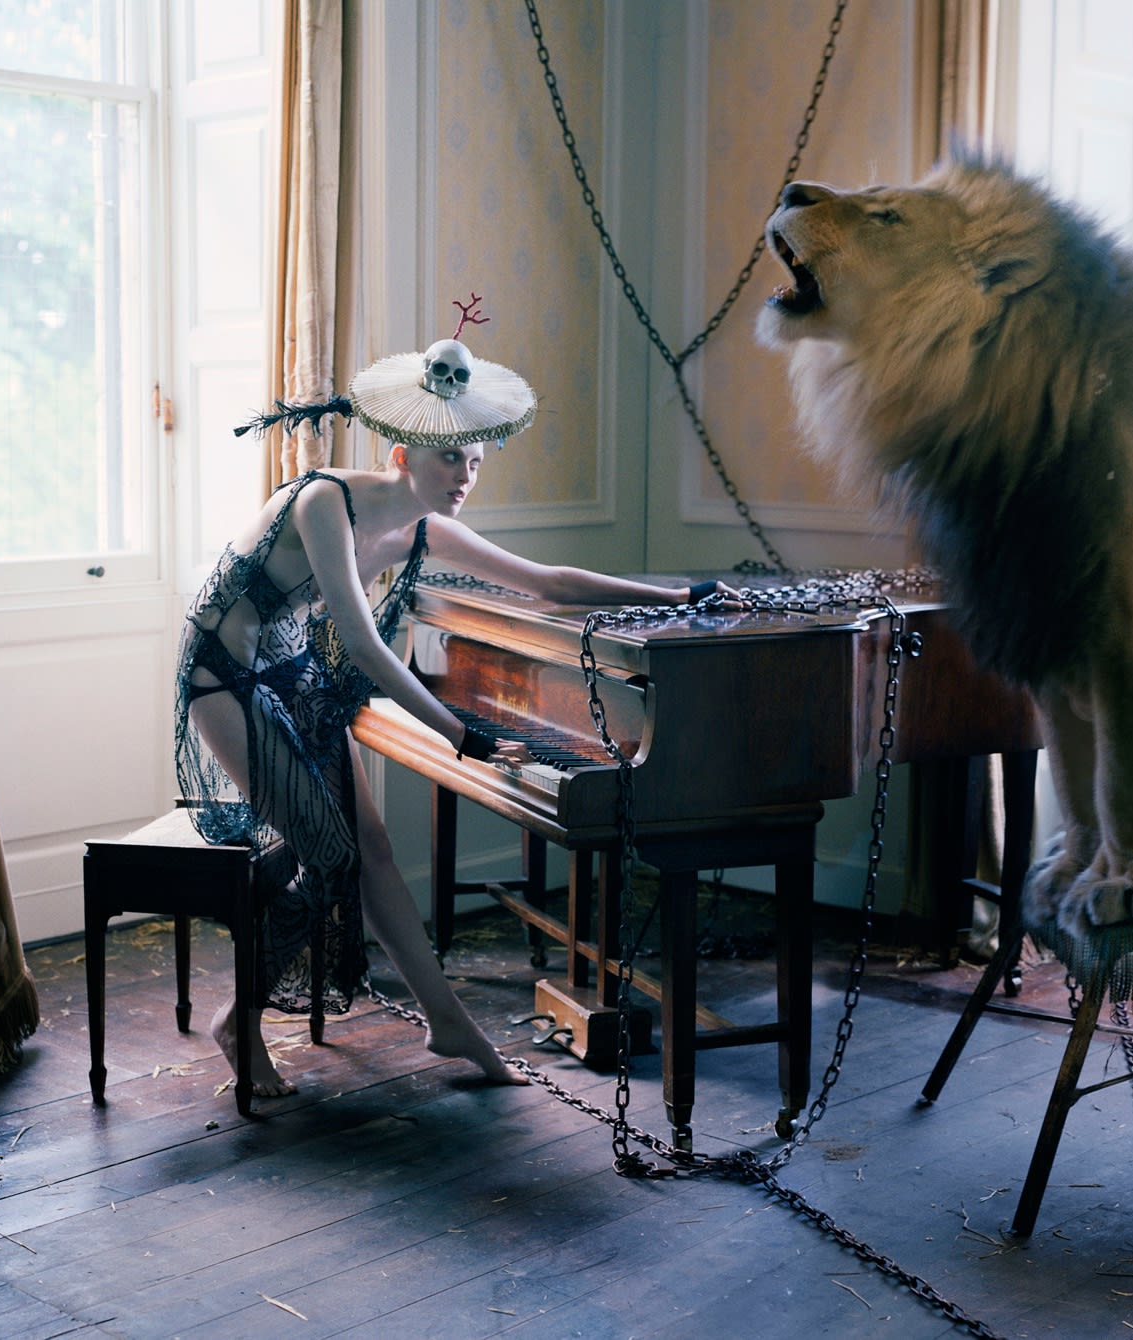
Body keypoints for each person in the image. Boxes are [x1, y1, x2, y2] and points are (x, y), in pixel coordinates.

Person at [176, 331, 733, 1096]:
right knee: (328, 851)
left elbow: (551, 582)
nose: (465, 476)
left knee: (371, 847)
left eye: (474, 462)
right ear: (402, 455)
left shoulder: (427, 528)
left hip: (293, 674)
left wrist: (676, 598)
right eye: (450, 460)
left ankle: (449, 1023)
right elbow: (368, 649)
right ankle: (237, 1020)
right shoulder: (322, 503)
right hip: (225, 676)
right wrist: (461, 734)